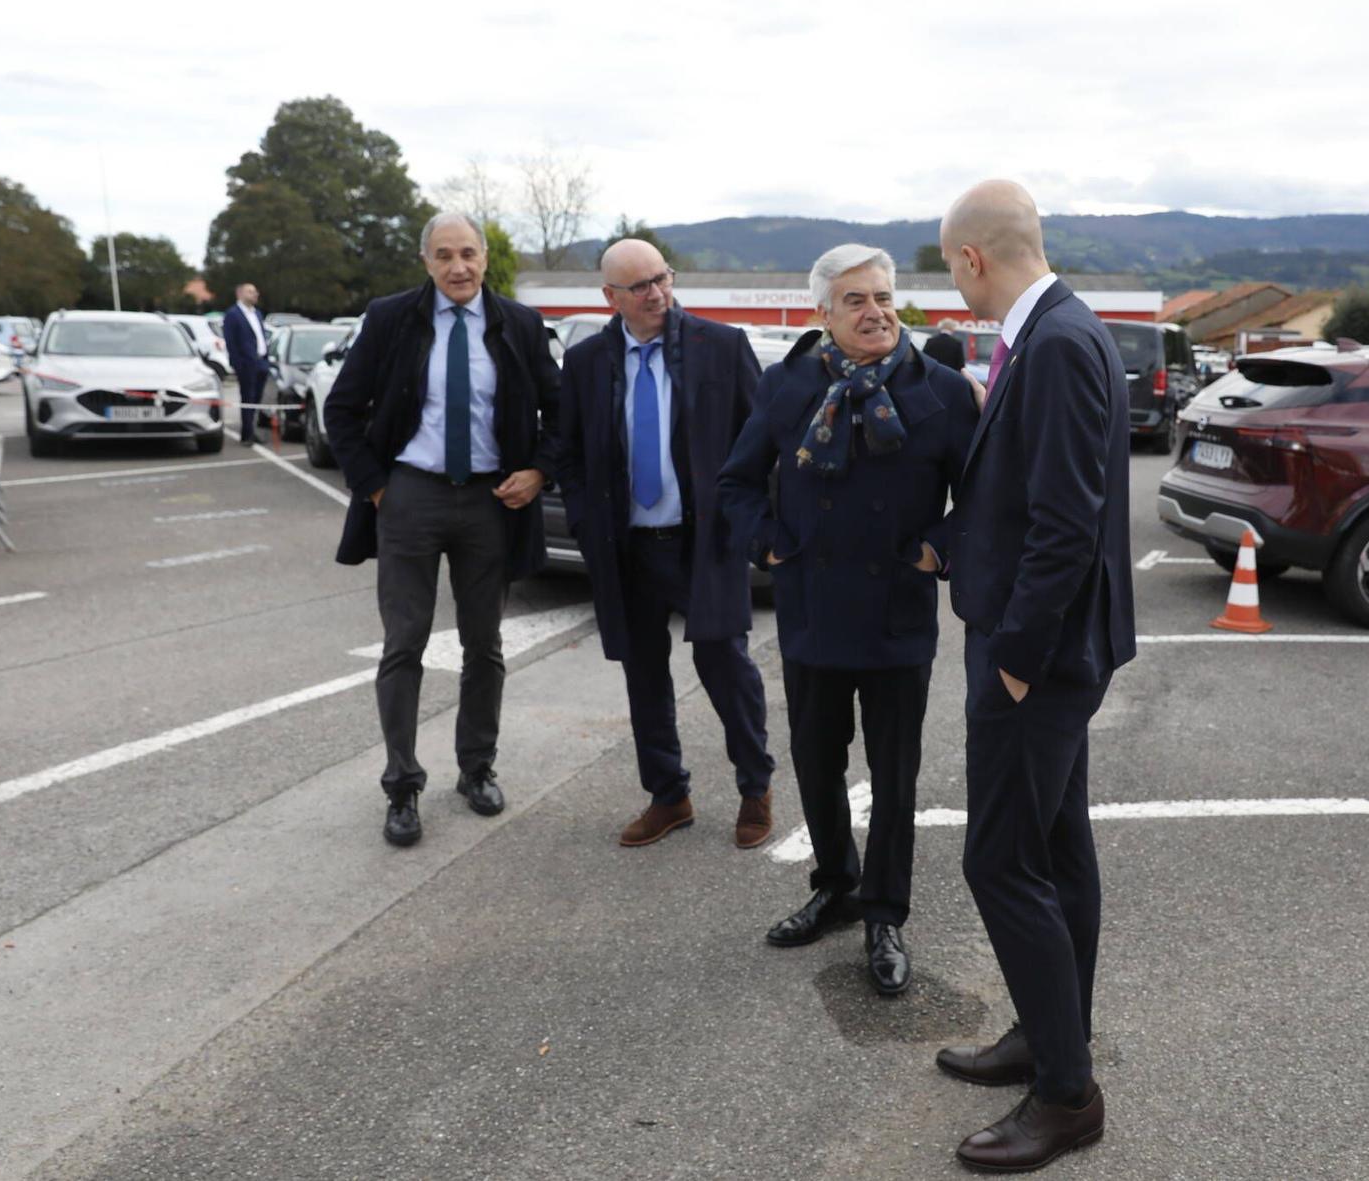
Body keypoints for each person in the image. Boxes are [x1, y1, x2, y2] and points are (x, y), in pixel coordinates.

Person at [933, 180, 1135, 1173]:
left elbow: (1064, 523)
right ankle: (1048, 1034)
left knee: (998, 862)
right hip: (1052, 647)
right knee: (1057, 855)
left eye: (947, 269)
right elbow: (1025, 500)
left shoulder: (1052, 342)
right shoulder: (1067, 328)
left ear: (972, 258)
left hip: (1036, 659)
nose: (952, 287)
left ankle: (1065, 1094)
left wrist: (1013, 659)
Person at [718, 245, 977, 998]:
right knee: (815, 759)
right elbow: (736, 481)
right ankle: (835, 883)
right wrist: (765, 541)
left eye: (886, 297)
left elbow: (985, 498)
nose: (877, 312)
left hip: (898, 612)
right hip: (812, 609)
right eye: (857, 300)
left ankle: (884, 912)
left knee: (896, 778)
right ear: (822, 314)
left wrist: (938, 549)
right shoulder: (786, 385)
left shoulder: (945, 392)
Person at [322, 213, 561, 848]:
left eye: (468, 254)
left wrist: (538, 469)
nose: (458, 267)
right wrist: (378, 486)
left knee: (485, 646)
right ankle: (402, 785)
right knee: (404, 644)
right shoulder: (391, 317)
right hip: (410, 499)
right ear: (425, 262)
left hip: (491, 504)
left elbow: (560, 413)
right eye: (444, 255)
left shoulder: (520, 324)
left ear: (486, 259)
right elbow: (341, 410)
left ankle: (476, 768)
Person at [557, 239, 776, 849]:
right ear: (610, 298)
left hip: (704, 543)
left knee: (725, 665)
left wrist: (753, 523)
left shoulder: (721, 347)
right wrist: (584, 521)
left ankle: (755, 787)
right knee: (643, 674)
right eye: (638, 286)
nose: (655, 294)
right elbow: (568, 453)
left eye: (661, 279)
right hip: (626, 546)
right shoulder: (586, 363)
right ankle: (668, 795)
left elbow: (761, 443)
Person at [222, 283, 271, 445]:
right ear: (240, 294)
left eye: (255, 291)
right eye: (251, 291)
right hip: (246, 364)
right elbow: (231, 342)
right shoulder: (233, 314)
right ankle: (246, 434)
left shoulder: (257, 313)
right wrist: (238, 364)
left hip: (261, 362)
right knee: (247, 398)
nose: (255, 294)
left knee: (256, 398)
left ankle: (251, 428)